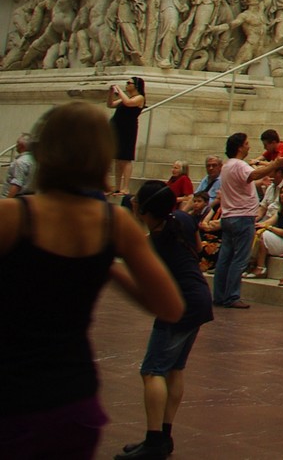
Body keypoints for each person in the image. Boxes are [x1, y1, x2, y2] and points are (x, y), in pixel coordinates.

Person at [0, 103, 184, 457]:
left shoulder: (12, 215)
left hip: (13, 394)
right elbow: (170, 307)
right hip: (74, 398)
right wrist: (106, 266)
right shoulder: (112, 223)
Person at [117, 182, 214, 458]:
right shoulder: (181, 219)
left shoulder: (153, 243)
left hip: (179, 303)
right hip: (198, 297)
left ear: (144, 210)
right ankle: (164, 437)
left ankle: (154, 441)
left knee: (153, 371)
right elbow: (196, 246)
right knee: (174, 369)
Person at [211, 131, 283, 308]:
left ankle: (219, 295)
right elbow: (255, 174)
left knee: (225, 258)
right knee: (239, 259)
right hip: (242, 216)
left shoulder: (227, 166)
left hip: (228, 216)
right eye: (246, 144)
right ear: (240, 147)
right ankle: (232, 296)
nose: (249, 146)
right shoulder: (239, 165)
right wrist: (275, 164)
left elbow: (245, 181)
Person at [107, 76, 146, 195]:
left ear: (136, 86)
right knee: (117, 159)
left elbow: (129, 103)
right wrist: (110, 93)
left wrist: (119, 90)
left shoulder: (139, 98)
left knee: (125, 158)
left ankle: (126, 187)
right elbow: (111, 104)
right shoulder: (126, 98)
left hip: (128, 130)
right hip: (117, 129)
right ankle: (117, 186)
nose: (127, 84)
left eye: (129, 83)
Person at [6, 132, 34, 196]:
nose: (16, 145)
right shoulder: (35, 160)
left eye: (17, 143)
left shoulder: (20, 162)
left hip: (16, 199)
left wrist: (7, 201)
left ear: (21, 145)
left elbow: (17, 184)